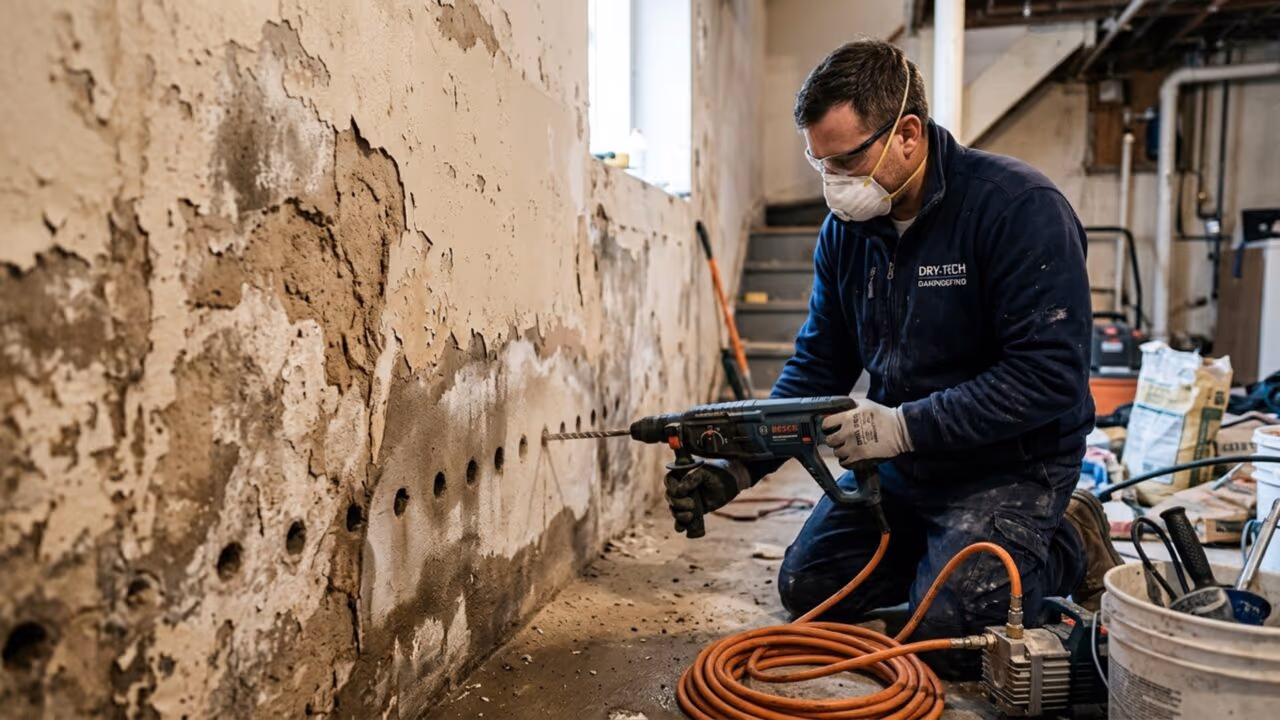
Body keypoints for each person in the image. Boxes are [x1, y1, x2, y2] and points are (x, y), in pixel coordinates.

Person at [663, 39, 1121, 677]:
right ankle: (944, 551)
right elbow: (818, 365)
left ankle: (1069, 538)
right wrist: (739, 464)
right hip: (904, 466)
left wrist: (904, 427)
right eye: (820, 163)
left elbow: (1047, 376)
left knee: (950, 638)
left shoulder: (1018, 209)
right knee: (807, 592)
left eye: (846, 160)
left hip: (1010, 465)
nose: (833, 182)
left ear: (908, 133)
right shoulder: (848, 233)